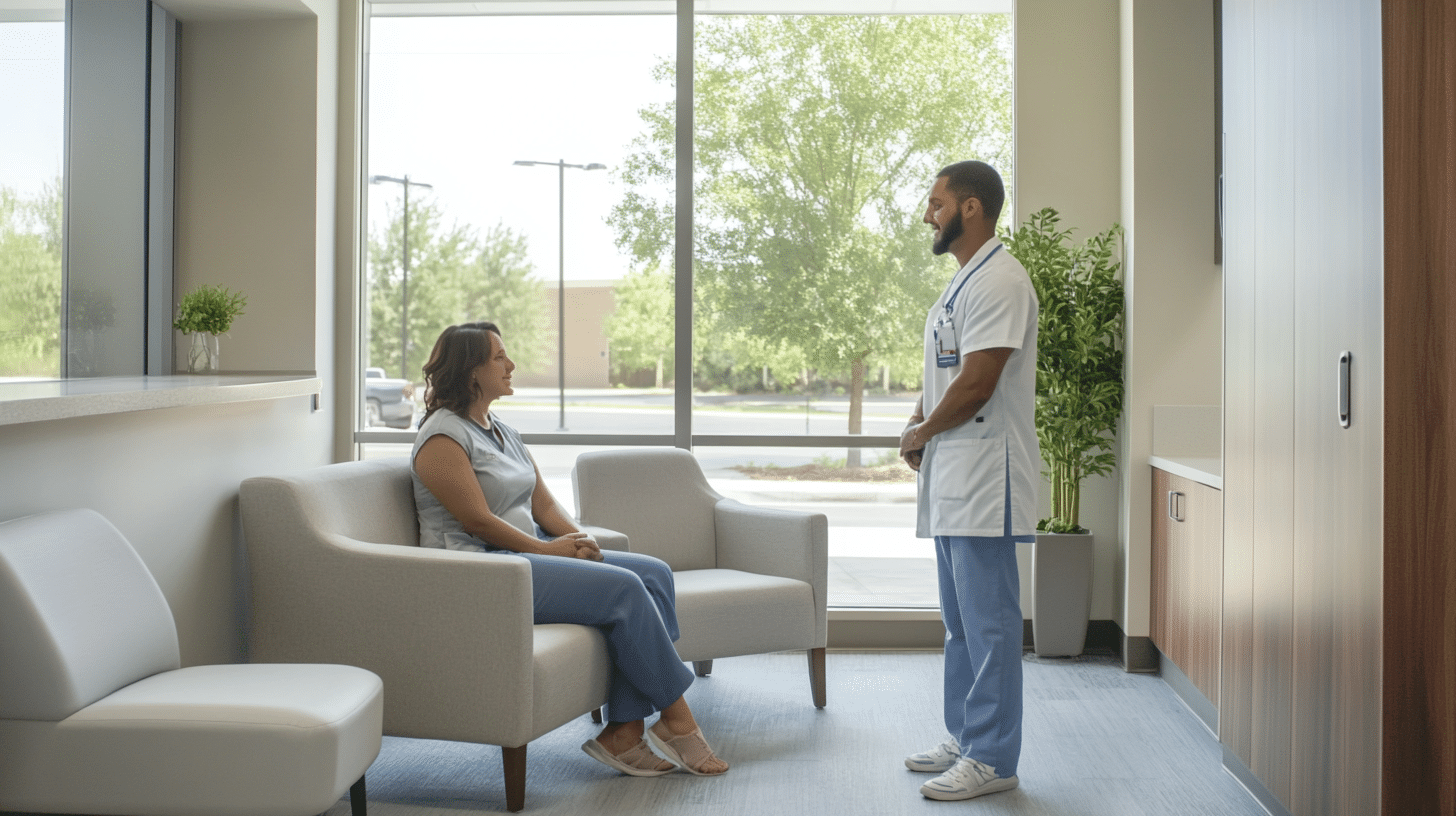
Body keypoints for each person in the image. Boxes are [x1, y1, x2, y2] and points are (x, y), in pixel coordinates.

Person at [410, 321, 728, 778]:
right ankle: (678, 719)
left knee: (653, 573)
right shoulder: (442, 437)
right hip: (479, 573)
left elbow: (543, 504)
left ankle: (623, 731)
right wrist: (548, 552)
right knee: (623, 588)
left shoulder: (501, 430)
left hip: (524, 558)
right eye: (500, 357)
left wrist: (580, 541)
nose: (511, 364)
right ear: (471, 371)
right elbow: (475, 520)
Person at [898, 161, 1039, 801]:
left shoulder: (1001, 281)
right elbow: (946, 373)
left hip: (986, 480)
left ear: (971, 208)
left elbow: (979, 382)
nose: (929, 214)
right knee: (960, 626)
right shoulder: (962, 285)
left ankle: (993, 758)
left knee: (990, 627)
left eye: (937, 203)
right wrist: (917, 417)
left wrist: (923, 434)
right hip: (956, 479)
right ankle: (964, 737)